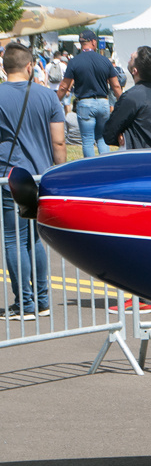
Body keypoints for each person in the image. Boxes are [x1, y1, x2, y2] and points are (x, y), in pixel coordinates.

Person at [0, 43, 66, 320]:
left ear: (5, 68)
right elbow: (59, 141)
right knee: (36, 240)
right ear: (30, 67)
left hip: (9, 176)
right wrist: (60, 173)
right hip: (40, 175)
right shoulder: (47, 96)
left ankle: (24, 303)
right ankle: (42, 300)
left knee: (14, 240)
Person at [56, 29, 121, 158]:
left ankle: (90, 169)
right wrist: (122, 100)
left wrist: (55, 100)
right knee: (102, 138)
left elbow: (64, 86)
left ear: (81, 43)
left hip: (85, 103)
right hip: (103, 102)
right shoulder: (105, 61)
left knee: (87, 140)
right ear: (93, 42)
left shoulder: (74, 62)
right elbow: (116, 85)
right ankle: (106, 165)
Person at [102, 46, 151, 151]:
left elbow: (109, 133)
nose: (129, 59)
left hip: (140, 157)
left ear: (135, 71)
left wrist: (123, 136)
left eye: (131, 58)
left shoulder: (131, 97)